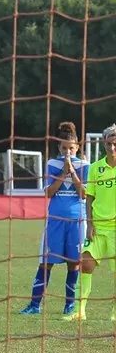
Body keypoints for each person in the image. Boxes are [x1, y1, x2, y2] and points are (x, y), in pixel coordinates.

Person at [20, 122, 89, 316]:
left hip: (77, 220)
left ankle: (70, 305)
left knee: (74, 263)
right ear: (59, 147)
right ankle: (34, 305)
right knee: (45, 262)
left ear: (77, 147)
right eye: (64, 148)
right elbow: (49, 192)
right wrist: (63, 173)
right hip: (55, 220)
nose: (68, 152)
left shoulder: (85, 166)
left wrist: (72, 172)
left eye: (72, 148)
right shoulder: (52, 164)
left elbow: (83, 194)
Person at [64, 124, 116, 321]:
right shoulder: (95, 168)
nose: (112, 148)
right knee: (85, 264)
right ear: (104, 143)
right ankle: (80, 311)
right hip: (98, 227)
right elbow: (90, 198)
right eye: (109, 144)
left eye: (115, 144)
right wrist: (90, 223)